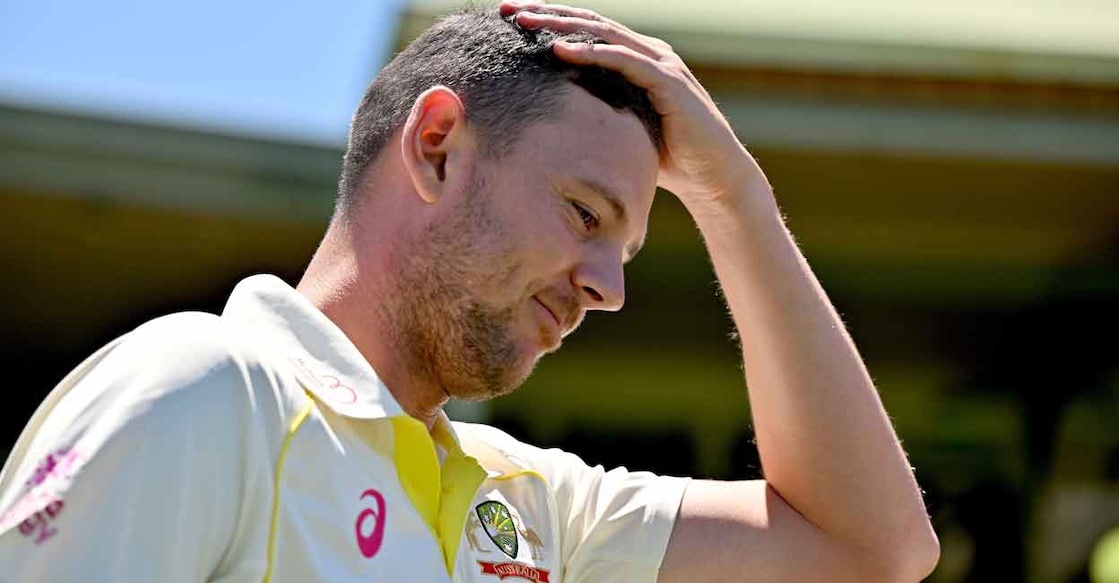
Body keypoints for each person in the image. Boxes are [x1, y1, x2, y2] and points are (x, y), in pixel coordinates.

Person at [0, 2, 940, 581]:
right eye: (584, 213)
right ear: (437, 146)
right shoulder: (207, 390)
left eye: (626, 250)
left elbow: (873, 548)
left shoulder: (536, 507)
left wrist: (734, 198)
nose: (608, 288)